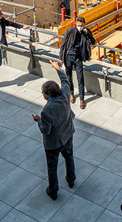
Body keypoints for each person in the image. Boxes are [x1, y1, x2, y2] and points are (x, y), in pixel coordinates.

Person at [33, 59, 76, 201]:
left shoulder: (47, 111)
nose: (42, 94)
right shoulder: (64, 94)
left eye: (43, 93)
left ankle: (53, 190)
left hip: (54, 144)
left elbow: (45, 130)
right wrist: (58, 68)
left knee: (52, 167)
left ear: (48, 95)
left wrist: (38, 120)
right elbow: (65, 81)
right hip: (68, 134)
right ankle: (71, 179)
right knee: (69, 157)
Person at [59, 16, 95, 109]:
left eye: (81, 25)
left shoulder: (86, 32)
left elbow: (93, 42)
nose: (79, 27)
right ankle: (71, 94)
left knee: (80, 78)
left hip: (78, 58)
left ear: (84, 25)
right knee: (69, 77)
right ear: (75, 24)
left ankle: (82, 99)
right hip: (68, 57)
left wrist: (88, 34)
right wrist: (61, 57)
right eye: (78, 25)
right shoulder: (70, 31)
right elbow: (63, 44)